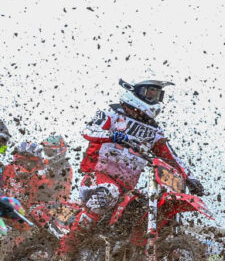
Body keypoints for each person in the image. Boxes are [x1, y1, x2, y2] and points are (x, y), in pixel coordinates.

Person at [64, 77, 201, 249]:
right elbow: (88, 131)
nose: (153, 98)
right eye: (150, 93)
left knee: (142, 206)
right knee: (109, 191)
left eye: (157, 94)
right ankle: (65, 252)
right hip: (96, 178)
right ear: (134, 91)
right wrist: (111, 135)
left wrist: (190, 178)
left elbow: (171, 156)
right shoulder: (111, 115)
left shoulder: (154, 131)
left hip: (126, 188)